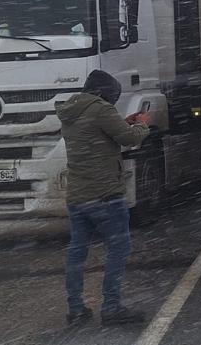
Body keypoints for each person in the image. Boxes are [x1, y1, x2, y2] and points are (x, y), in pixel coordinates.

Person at [55, 70, 151, 325]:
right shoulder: (101, 109)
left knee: (77, 252)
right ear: (104, 93)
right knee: (118, 249)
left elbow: (97, 133)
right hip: (105, 194)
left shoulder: (70, 110)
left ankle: (75, 309)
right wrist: (141, 123)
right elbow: (129, 139)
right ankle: (111, 307)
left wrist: (122, 121)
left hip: (78, 195)